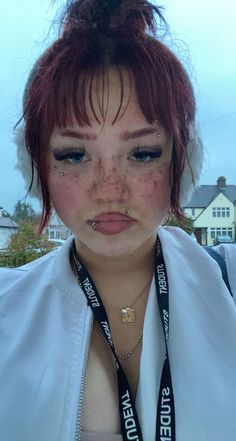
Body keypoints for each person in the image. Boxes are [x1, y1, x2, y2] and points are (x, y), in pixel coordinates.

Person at [1, 1, 236, 440]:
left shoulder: (229, 285)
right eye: (74, 154)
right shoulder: (5, 311)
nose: (109, 190)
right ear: (38, 171)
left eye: (142, 153)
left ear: (181, 166)